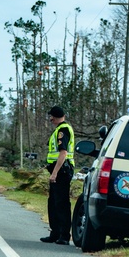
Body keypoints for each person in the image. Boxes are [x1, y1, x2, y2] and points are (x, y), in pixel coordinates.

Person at [41, 105, 74, 245]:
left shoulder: (63, 130)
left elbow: (63, 153)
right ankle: (55, 233)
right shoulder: (58, 130)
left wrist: (54, 173)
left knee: (61, 203)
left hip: (62, 170)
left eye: (51, 116)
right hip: (58, 170)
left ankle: (64, 235)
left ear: (55, 116)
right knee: (53, 203)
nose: (50, 119)